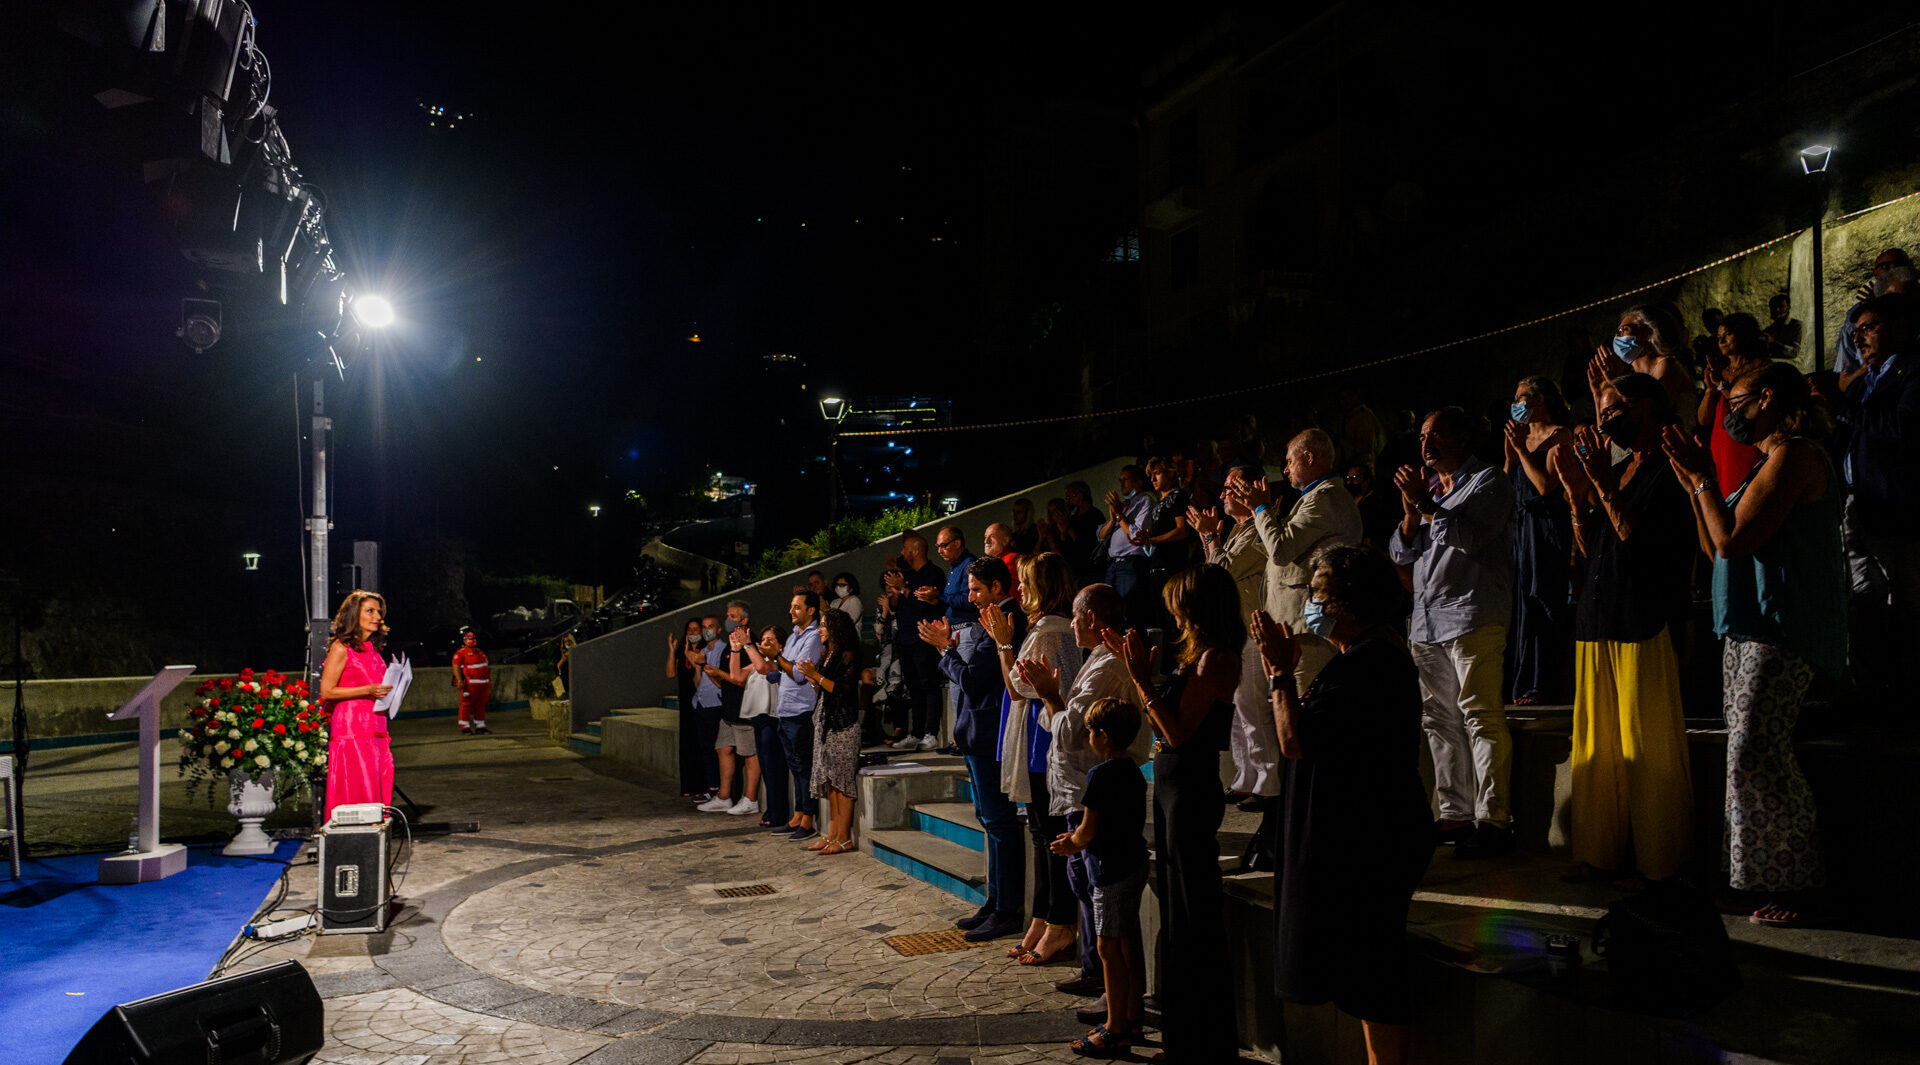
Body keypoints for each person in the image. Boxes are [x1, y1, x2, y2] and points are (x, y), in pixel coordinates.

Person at [1662, 362, 1846, 925]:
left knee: (1757, 751)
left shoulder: (1796, 456)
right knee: (1744, 753)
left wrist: (1701, 479)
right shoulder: (1766, 461)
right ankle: (1754, 878)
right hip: (1746, 625)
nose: (1727, 412)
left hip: (1783, 625)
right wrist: (1691, 482)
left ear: (1767, 398)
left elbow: (1735, 541)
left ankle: (1794, 881)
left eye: (1734, 400)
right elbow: (1713, 541)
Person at [1253, 546, 1432, 1065]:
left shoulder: (1372, 664)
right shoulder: (1361, 657)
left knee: (1376, 978)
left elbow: (1295, 741)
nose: (1311, 602)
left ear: (1349, 605)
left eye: (1318, 592)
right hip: (1362, 834)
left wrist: (1280, 673)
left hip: (1374, 839)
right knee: (1363, 975)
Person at [1549, 372, 1696, 885]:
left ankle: (1659, 861)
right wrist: (1575, 495)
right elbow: (1595, 550)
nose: (1603, 420)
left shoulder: (1672, 467)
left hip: (1644, 618)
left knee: (1643, 746)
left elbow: (1646, 549)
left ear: (1646, 408)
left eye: (1612, 410)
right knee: (1597, 746)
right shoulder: (1623, 468)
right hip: (1598, 617)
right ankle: (1601, 852)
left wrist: (1606, 488)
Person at [1106, 565, 1242, 1062]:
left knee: (1193, 916)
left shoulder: (1216, 659)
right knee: (1177, 913)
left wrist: (1140, 677)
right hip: (1171, 786)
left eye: (1179, 604)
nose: (1174, 613)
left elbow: (1179, 731)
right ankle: (1187, 1038)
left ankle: (1206, 1043)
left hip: (1190, 786)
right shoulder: (1196, 658)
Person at [1390, 408, 1518, 858]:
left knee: (1480, 716)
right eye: (1422, 435)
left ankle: (1494, 819)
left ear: (1463, 438)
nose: (1426, 443)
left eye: (1437, 434)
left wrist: (1426, 506)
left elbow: (1470, 537)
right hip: (1426, 620)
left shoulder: (1489, 481)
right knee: (1439, 721)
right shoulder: (1429, 490)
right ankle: (1455, 813)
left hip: (1471, 614)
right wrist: (1412, 510)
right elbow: (1401, 552)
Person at [1017, 583, 1142, 1006]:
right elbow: (1065, 723)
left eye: (1074, 616)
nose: (1071, 624)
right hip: (1074, 787)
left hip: (1089, 787)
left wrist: (1052, 697)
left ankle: (1111, 989)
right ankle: (1093, 970)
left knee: (1098, 891)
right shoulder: (1096, 658)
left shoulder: (1109, 665)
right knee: (1084, 887)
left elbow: (1071, 730)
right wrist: (1056, 702)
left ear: (1091, 618)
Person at [924, 555, 1028, 942]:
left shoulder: (1006, 620)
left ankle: (1007, 908)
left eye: (976, 589)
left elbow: (973, 680)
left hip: (988, 733)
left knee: (999, 823)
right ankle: (995, 899)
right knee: (989, 820)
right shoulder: (989, 621)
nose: (969, 596)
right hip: (976, 732)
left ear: (998, 588)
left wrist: (944, 652)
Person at [993, 552, 1081, 967]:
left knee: (1048, 834)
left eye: (1026, 583)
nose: (1020, 590)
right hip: (1034, 731)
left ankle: (1060, 923)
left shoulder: (1049, 630)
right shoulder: (1044, 627)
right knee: (1039, 833)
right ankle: (1043, 916)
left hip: (1042, 735)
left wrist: (1003, 642)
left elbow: (1016, 687)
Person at [1049, 697, 1150, 1057]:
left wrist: (1069, 844)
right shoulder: (1135, 771)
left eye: (1091, 731)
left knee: (1108, 947)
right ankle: (1134, 1014)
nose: (1089, 737)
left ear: (1103, 737)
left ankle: (1115, 1027)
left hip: (1109, 871)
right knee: (1127, 944)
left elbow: (1088, 831)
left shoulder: (1100, 775)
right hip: (1134, 863)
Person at [1834, 293, 1920, 701]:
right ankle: (1869, 686)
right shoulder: (1866, 378)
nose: (1858, 337)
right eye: (1855, 331)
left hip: (1898, 505)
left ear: (1899, 328)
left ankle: (1904, 686)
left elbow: (1903, 428)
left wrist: (1844, 409)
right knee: (1864, 597)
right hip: (1860, 502)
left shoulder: (1913, 371)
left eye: (1868, 327)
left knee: (1905, 597)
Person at [1503, 376, 1576, 706]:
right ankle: (1520, 680)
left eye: (1523, 397)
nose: (1516, 403)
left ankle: (1541, 682)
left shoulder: (1559, 434)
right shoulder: (1522, 437)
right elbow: (1506, 487)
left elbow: (1546, 486)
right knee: (1522, 604)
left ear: (1541, 399)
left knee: (1544, 597)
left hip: (1546, 527)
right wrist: (1509, 457)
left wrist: (1521, 450)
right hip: (1522, 529)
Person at [748, 591, 825, 841]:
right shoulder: (793, 637)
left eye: (796, 607)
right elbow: (785, 670)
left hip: (802, 712)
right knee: (795, 768)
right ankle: (797, 814)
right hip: (786, 711)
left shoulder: (812, 638)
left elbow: (801, 675)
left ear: (810, 610)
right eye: (791, 607)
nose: (791, 611)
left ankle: (808, 818)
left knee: (804, 768)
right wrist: (776, 663)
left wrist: (778, 657)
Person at [320, 590, 395, 822]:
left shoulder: (372, 650)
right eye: (370, 611)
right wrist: (367, 690)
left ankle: (373, 831)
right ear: (355, 615)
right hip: (352, 726)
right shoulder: (342, 648)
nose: (377, 617)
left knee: (377, 777)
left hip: (375, 724)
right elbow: (326, 691)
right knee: (356, 781)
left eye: (378, 612)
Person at [797, 608, 864, 855]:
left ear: (836, 628)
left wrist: (816, 676)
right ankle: (832, 834)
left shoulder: (847, 654)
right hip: (826, 722)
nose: (819, 629)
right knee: (831, 783)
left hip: (843, 725)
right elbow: (824, 690)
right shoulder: (828, 653)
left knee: (842, 783)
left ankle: (844, 837)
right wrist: (814, 680)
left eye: (824, 625)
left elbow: (843, 690)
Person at [883, 530, 947, 751]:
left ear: (916, 550)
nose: (902, 552)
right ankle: (916, 732)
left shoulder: (933, 574)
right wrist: (895, 590)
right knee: (914, 687)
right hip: (905, 638)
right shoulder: (907, 574)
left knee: (929, 684)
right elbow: (894, 607)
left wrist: (903, 588)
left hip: (924, 637)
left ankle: (931, 733)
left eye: (905, 549)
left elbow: (923, 605)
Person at [1591, 304, 1698, 432]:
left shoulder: (1668, 366)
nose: (1617, 337)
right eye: (1617, 332)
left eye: (1624, 329)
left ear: (1648, 332)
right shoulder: (1633, 376)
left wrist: (1614, 384)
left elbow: (1647, 419)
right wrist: (1598, 395)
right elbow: (1608, 432)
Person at [699, 601, 760, 816]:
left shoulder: (751, 644)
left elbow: (742, 680)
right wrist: (711, 673)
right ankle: (724, 797)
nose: (728, 619)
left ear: (744, 620)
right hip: (728, 710)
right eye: (727, 615)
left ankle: (750, 798)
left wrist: (719, 674)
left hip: (745, 710)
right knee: (722, 748)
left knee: (749, 755)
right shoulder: (728, 647)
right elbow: (725, 681)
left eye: (733, 616)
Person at [1833, 249, 1915, 375]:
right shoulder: (1856, 317)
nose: (1892, 269)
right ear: (1875, 273)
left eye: (1899, 264)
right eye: (1885, 266)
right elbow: (1844, 376)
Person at [1136, 458, 1197, 625]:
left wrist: (1153, 540)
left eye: (1157, 473)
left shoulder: (1178, 496)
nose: (1153, 479)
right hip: (1157, 565)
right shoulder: (1159, 503)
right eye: (1151, 475)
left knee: (1174, 618)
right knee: (1161, 618)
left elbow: (1182, 530)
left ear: (1170, 473)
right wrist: (1147, 535)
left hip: (1172, 566)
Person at [743, 623, 790, 829]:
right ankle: (771, 809)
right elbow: (736, 675)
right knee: (766, 768)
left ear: (781, 645)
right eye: (763, 640)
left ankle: (779, 812)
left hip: (773, 719)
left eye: (770, 640)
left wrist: (747, 646)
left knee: (774, 768)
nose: (765, 643)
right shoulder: (758, 660)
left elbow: (763, 668)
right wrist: (737, 648)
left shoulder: (778, 663)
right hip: (758, 720)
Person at [1099, 466, 1154, 627]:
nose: (1121, 483)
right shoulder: (1121, 505)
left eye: (1125, 479)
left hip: (1131, 564)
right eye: (1120, 480)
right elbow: (1101, 535)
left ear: (1138, 482)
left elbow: (1136, 535)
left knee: (1129, 612)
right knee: (1109, 613)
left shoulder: (1145, 501)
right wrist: (1112, 518)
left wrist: (1120, 515)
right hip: (1113, 565)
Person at [688, 613, 726, 802]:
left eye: (710, 626)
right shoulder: (704, 650)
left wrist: (705, 664)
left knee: (715, 748)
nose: (706, 630)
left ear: (718, 629)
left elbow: (720, 680)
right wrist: (697, 666)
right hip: (701, 702)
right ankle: (710, 786)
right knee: (705, 748)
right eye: (704, 627)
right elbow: (698, 681)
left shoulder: (723, 650)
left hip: (715, 704)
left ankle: (718, 788)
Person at [667, 618, 705, 797]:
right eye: (689, 629)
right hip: (685, 702)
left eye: (696, 629)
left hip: (702, 701)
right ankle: (689, 786)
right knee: (687, 744)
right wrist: (672, 652)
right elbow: (670, 673)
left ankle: (702, 786)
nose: (692, 632)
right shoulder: (682, 652)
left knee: (700, 743)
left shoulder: (705, 650)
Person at [1345, 461, 1400, 550]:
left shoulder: (1376, 503)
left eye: (1355, 477)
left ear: (1367, 481)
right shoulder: (1348, 501)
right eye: (1348, 478)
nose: (1350, 482)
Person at [1061, 481, 1106, 587]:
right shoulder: (1074, 518)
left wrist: (1069, 528)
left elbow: (1088, 544)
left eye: (1069, 497)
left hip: (1090, 570)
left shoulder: (1094, 515)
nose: (1067, 502)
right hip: (1075, 571)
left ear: (1080, 496)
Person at [450, 629, 491, 735]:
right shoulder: (460, 653)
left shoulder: (480, 652)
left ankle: (480, 726)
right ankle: (465, 727)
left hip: (483, 684)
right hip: (469, 684)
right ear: (465, 640)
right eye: (470, 638)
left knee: (480, 705)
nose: (472, 640)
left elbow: (485, 666)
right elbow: (456, 667)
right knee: (466, 705)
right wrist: (459, 680)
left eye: (473, 638)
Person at [1762, 293, 1803, 361]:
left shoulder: (1796, 325)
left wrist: (1773, 342)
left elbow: (1794, 353)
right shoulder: (1771, 328)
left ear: (1788, 308)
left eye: (1781, 307)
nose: (1777, 310)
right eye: (1775, 307)